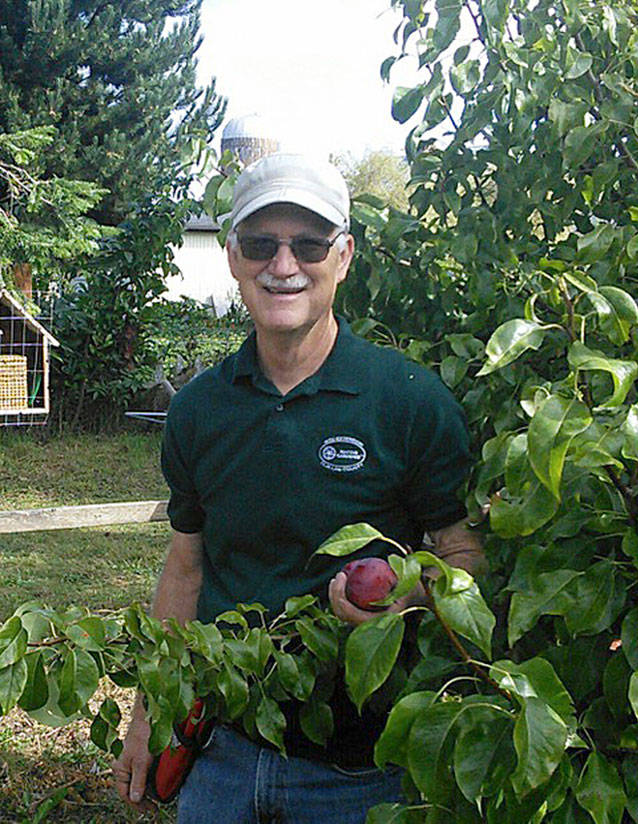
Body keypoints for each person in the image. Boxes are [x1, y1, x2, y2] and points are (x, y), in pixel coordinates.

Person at [113, 153, 484, 823]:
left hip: (364, 770)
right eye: (261, 244)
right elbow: (185, 567)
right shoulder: (198, 411)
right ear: (232, 257)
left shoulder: (408, 401)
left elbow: (465, 554)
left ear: (342, 257)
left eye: (308, 244)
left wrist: (408, 596)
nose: (283, 266)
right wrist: (149, 714)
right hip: (220, 753)